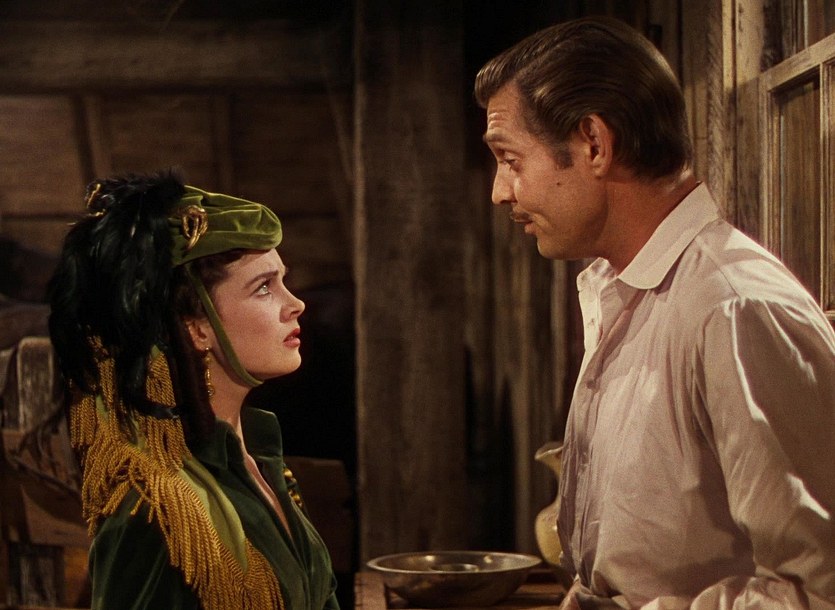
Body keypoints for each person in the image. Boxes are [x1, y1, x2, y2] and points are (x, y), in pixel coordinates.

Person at [475, 16, 835, 610]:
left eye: (510, 159)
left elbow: (816, 590)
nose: (500, 191)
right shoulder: (625, 292)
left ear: (594, 144)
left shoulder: (734, 309)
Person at [48, 170, 340, 610]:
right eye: (264, 288)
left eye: (283, 280)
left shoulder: (261, 462)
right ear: (195, 327)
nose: (296, 304)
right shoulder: (156, 511)